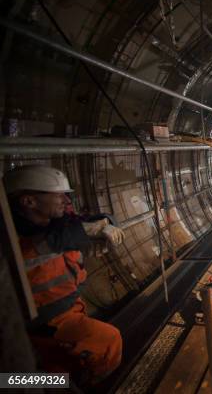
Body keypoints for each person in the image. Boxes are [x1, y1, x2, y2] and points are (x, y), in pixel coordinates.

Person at [3, 165, 125, 385]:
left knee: (58, 367)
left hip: (68, 309)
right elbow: (44, 244)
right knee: (108, 341)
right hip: (44, 322)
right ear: (29, 201)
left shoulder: (55, 224)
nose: (66, 201)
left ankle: (56, 382)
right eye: (57, 195)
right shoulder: (14, 241)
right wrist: (86, 231)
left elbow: (85, 222)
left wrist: (106, 223)